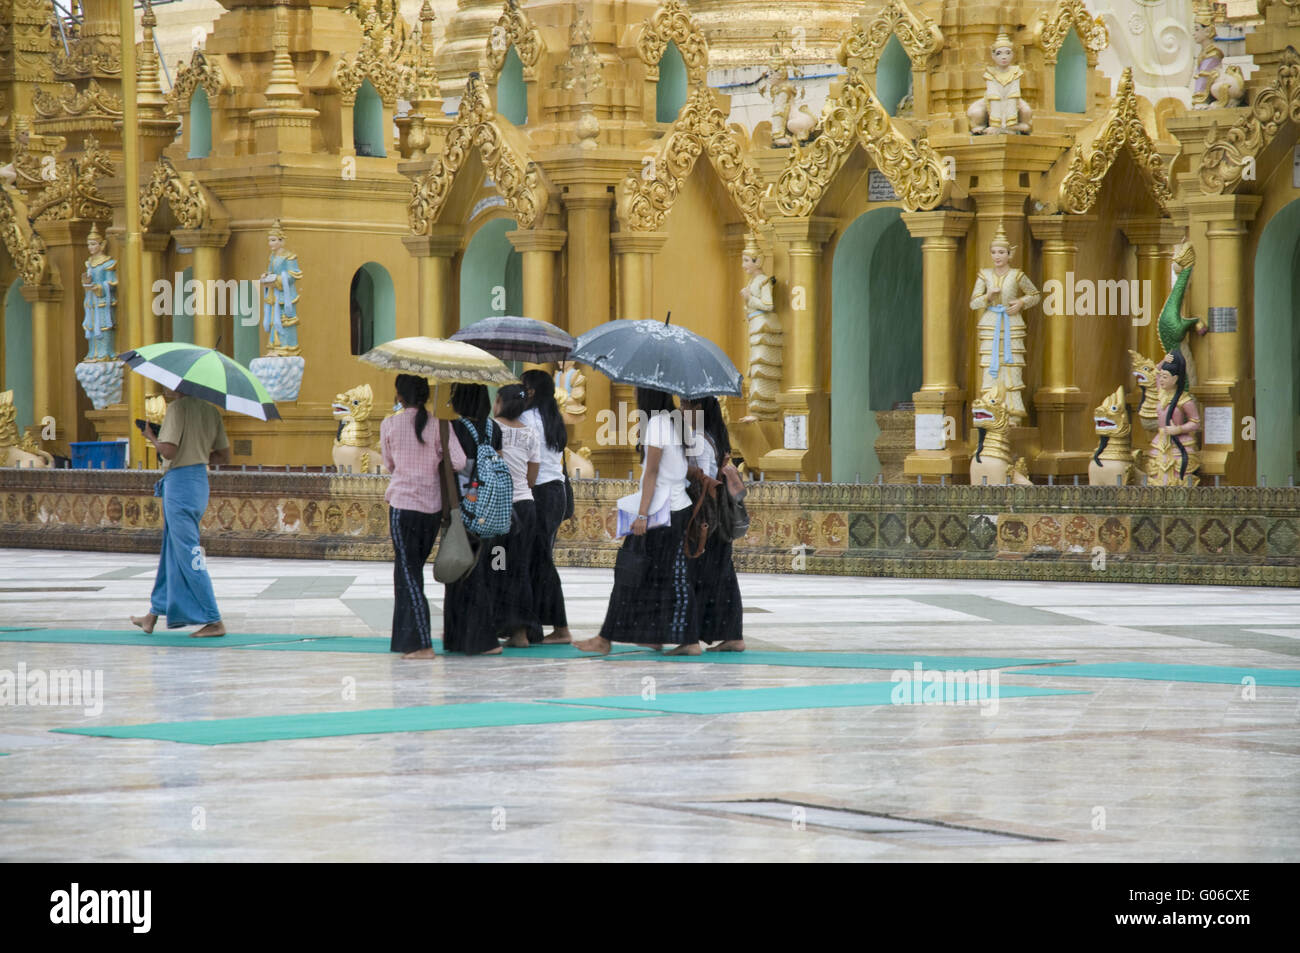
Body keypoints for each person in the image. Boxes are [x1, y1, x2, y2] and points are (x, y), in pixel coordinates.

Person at [576, 387, 700, 655]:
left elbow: (652, 473)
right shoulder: (676, 421)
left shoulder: (655, 423)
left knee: (628, 573)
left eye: (636, 392)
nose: (633, 396)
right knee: (668, 575)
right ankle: (672, 637)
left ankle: (605, 638)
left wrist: (641, 515)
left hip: (659, 511)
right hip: (679, 509)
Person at [130, 388, 230, 638]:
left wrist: (151, 436)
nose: (164, 386)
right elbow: (223, 456)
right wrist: (196, 449)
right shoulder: (211, 411)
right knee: (171, 550)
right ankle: (152, 615)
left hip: (180, 484)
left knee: (188, 552)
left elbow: (169, 451)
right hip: (198, 482)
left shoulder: (176, 408)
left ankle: (213, 620)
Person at [380, 373, 466, 659]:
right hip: (431, 509)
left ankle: (422, 644)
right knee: (410, 571)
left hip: (403, 506)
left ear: (400, 397)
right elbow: (459, 462)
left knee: (408, 573)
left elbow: (388, 464)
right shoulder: (440, 425)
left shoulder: (390, 424)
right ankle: (404, 638)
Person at [683, 396, 744, 652]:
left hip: (705, 516)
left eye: (686, 404)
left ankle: (690, 638)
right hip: (719, 514)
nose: (682, 409)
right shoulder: (716, 437)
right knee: (723, 575)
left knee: (696, 572)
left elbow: (703, 480)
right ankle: (732, 635)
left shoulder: (698, 438)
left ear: (698, 408)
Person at [521, 369, 572, 644]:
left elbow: (530, 460)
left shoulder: (527, 418)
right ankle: (537, 624)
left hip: (538, 490)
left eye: (524, 387)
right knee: (540, 558)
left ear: (531, 391)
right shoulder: (553, 418)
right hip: (557, 491)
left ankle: (561, 627)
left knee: (540, 559)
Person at [1146, 350, 1201, 487]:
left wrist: (1179, 429)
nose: (1162, 379)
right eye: (1162, 377)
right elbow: (1155, 374)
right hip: (1161, 440)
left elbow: (1195, 422)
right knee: (1156, 473)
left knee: (1178, 475)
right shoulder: (1162, 393)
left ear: (1175, 379)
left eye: (1166, 377)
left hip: (1179, 442)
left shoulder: (1184, 400)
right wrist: (1163, 362)